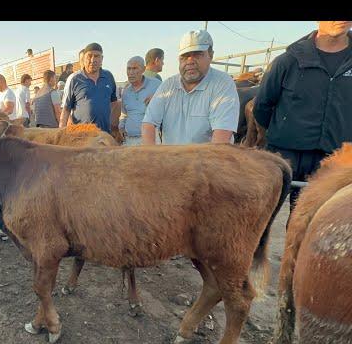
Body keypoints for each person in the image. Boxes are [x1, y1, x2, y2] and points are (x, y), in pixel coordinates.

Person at [254, 20, 352, 209]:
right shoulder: (288, 61)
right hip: (284, 155)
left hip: (335, 159)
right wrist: (285, 132)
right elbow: (262, 106)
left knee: (314, 226)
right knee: (261, 216)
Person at [142, 30, 239, 145]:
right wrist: (150, 155)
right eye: (184, 56)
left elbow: (221, 140)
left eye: (197, 54)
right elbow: (149, 123)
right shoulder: (168, 85)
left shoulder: (222, 84)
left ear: (211, 55)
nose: (190, 61)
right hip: (172, 159)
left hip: (207, 159)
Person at [60, 42, 118, 134]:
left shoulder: (109, 77)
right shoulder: (74, 79)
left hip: (105, 135)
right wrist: (61, 135)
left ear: (102, 59)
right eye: (89, 56)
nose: (93, 60)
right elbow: (66, 109)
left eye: (96, 56)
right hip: (82, 137)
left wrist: (114, 127)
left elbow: (114, 103)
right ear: (84, 58)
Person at [119, 56, 161, 145]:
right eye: (128, 69)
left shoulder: (157, 85)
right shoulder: (126, 91)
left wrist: (157, 98)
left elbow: (170, 105)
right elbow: (124, 114)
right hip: (130, 140)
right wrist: (121, 125)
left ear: (143, 69)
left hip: (151, 140)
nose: (131, 72)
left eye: (134, 68)